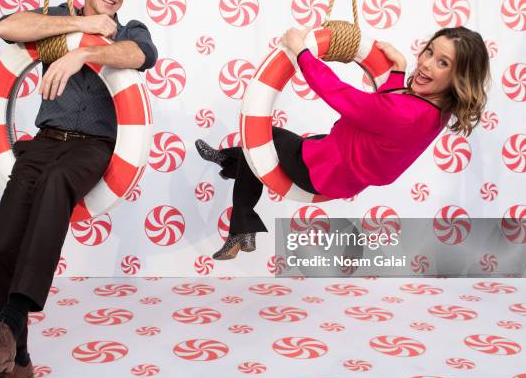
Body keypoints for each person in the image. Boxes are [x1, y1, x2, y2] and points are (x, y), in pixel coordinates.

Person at [0, 0, 158, 378]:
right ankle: (17, 361)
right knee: (2, 244)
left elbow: (141, 54)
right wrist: (80, 27)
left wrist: (84, 54)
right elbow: (9, 26)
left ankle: (4, 326)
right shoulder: (59, 17)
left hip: (92, 147)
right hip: (44, 140)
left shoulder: (128, 29)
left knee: (55, 184)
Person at [196, 25, 490, 260]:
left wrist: (301, 52)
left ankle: (239, 217)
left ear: (458, 77)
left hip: (320, 170)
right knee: (259, 151)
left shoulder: (405, 113)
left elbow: (339, 93)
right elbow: (385, 113)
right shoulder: (435, 110)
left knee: (262, 140)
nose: (425, 64)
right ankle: (227, 161)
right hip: (344, 162)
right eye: (428, 52)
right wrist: (398, 69)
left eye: (442, 63)